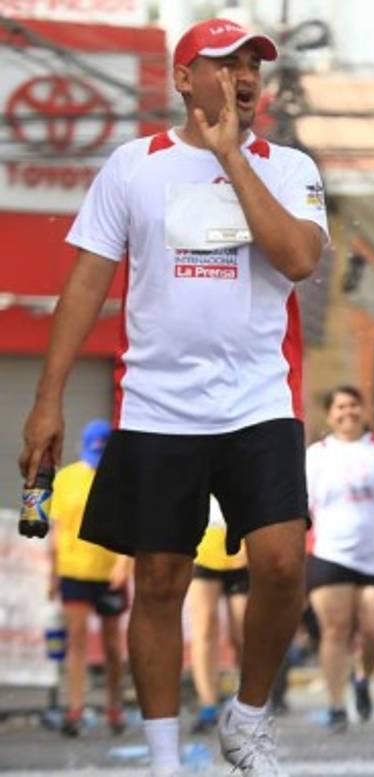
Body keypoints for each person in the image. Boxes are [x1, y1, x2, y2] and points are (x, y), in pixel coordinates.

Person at [18, 17, 328, 775]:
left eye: (254, 64)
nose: (243, 76)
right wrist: (48, 399)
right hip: (158, 404)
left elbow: (295, 258)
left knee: (283, 563)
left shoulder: (288, 167)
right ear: (183, 79)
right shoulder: (133, 166)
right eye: (224, 64)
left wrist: (233, 159)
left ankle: (247, 717)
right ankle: (163, 756)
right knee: (159, 577)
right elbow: (87, 282)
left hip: (259, 396)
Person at [305, 386, 374, 733]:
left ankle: (363, 677)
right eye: (340, 406)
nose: (348, 412)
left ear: (365, 409)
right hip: (330, 553)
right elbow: (303, 507)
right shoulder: (316, 455)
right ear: (330, 414)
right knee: (335, 630)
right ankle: (335, 705)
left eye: (354, 406)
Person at [47, 419, 130, 738]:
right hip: (74, 570)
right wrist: (52, 575)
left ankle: (114, 706)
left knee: (111, 647)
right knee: (77, 640)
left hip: (109, 572)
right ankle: (75, 708)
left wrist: (124, 564)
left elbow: (131, 525)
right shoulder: (66, 478)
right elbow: (56, 530)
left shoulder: (121, 479)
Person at [188, 497, 249, 735]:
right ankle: (208, 705)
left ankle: (247, 703)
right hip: (202, 550)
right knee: (203, 629)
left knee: (242, 633)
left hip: (240, 553)